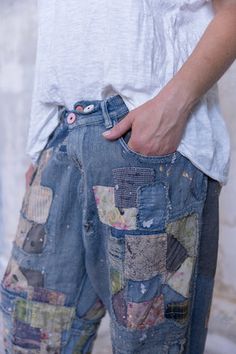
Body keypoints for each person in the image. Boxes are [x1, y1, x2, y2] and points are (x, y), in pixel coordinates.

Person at [0, 0, 235, 353]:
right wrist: (40, 146)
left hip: (144, 147)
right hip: (61, 137)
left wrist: (173, 106)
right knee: (28, 338)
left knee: (149, 344)